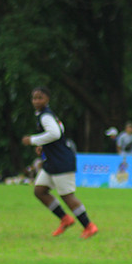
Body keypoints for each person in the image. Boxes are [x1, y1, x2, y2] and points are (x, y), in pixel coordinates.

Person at [21, 86, 98, 239]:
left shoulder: (45, 116)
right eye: (34, 98)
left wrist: (33, 140)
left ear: (47, 99)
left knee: (67, 196)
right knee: (40, 191)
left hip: (61, 161)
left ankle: (89, 226)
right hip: (52, 161)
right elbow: (59, 131)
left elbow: (55, 134)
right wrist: (43, 145)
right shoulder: (46, 115)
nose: (36, 101)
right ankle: (65, 219)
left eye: (39, 98)